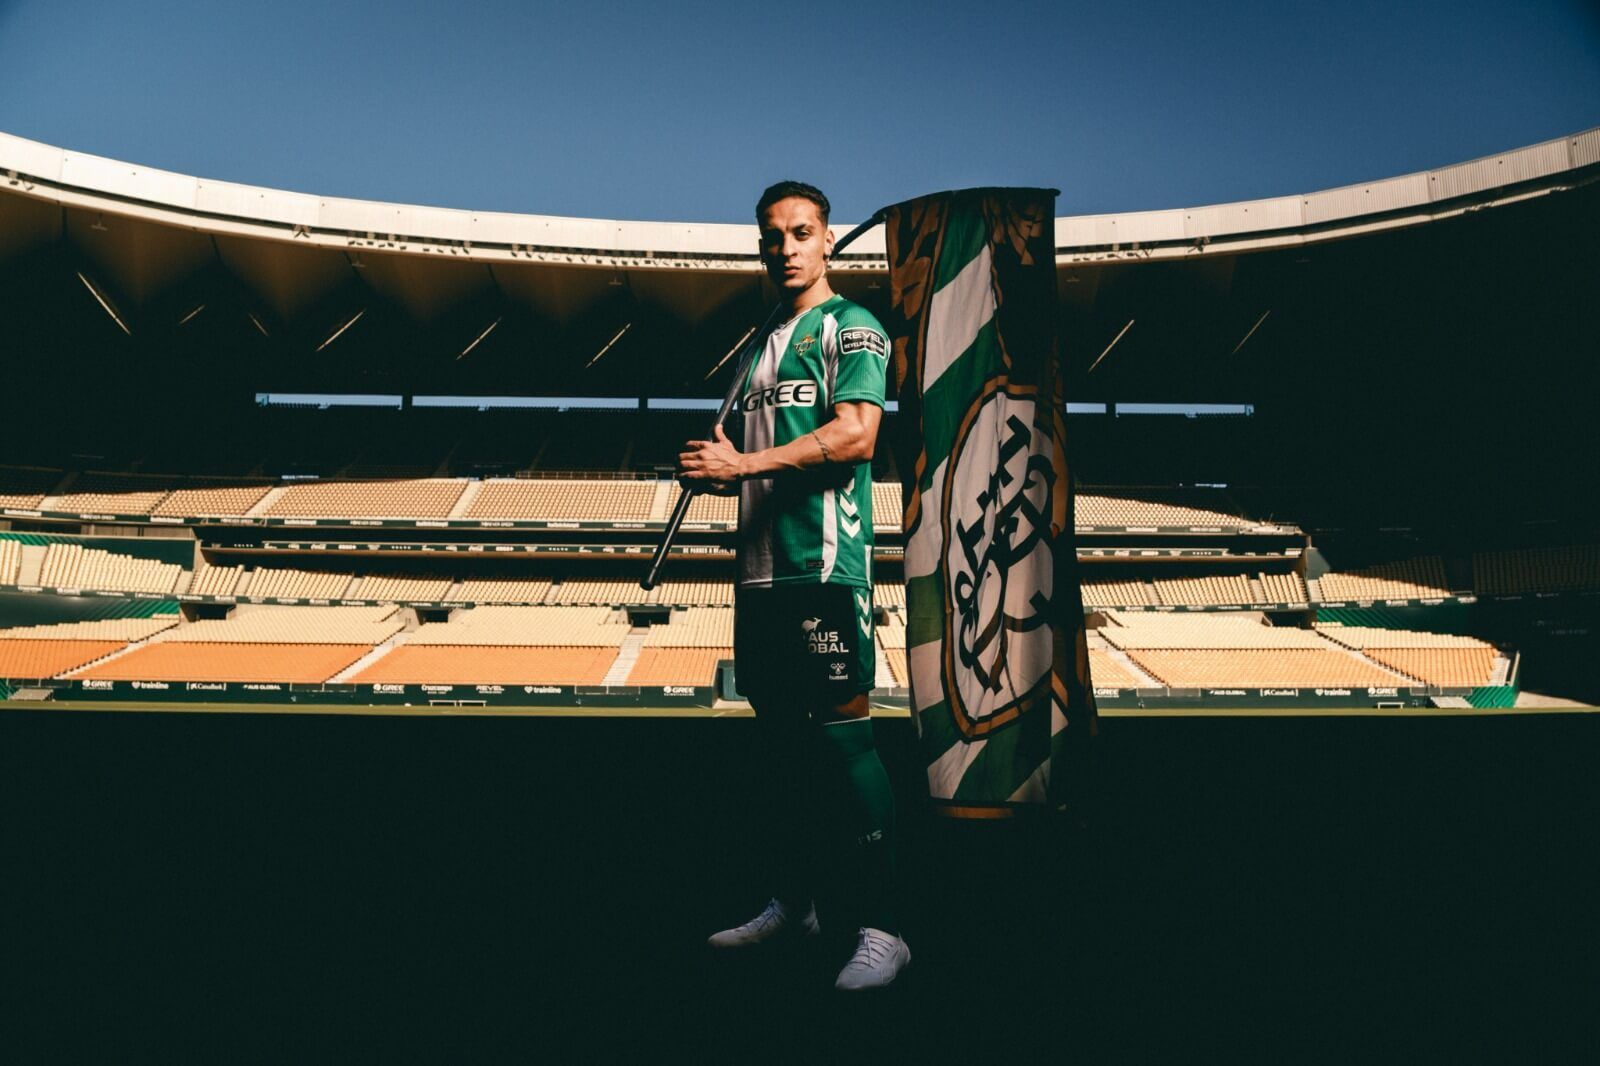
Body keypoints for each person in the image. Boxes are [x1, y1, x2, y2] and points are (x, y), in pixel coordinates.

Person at [677, 180, 908, 992]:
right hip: (760, 574)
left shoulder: (853, 327)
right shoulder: (758, 345)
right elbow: (745, 451)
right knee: (781, 750)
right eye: (771, 236)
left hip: (823, 568)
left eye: (800, 232)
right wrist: (717, 469)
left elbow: (856, 434)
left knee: (845, 740)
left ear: (828, 241)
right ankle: (798, 904)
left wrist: (740, 463)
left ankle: (884, 927)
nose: (785, 247)